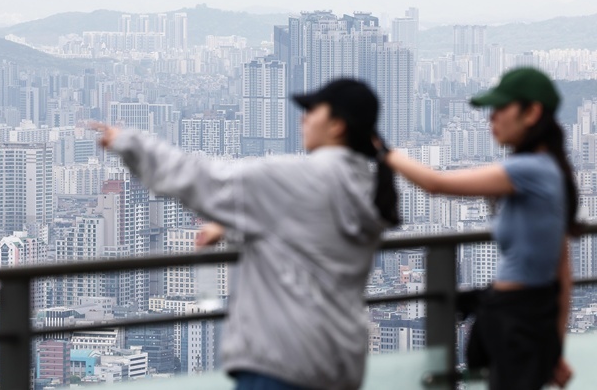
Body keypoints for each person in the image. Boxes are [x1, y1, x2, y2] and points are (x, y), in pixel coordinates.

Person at [92, 78, 399, 390]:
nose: (303, 118)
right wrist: (228, 229)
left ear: (337, 126)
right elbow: (302, 234)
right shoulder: (367, 184)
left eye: (312, 110)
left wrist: (129, 141)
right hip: (340, 361)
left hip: (281, 361)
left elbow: (202, 179)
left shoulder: (298, 177)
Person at [375, 67, 574, 389]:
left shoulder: (528, 170)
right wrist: (556, 347)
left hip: (518, 322)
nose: (491, 119)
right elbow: (563, 269)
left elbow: (435, 183)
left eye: (500, 109)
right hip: (525, 318)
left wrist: (385, 152)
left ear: (532, 112)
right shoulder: (550, 169)